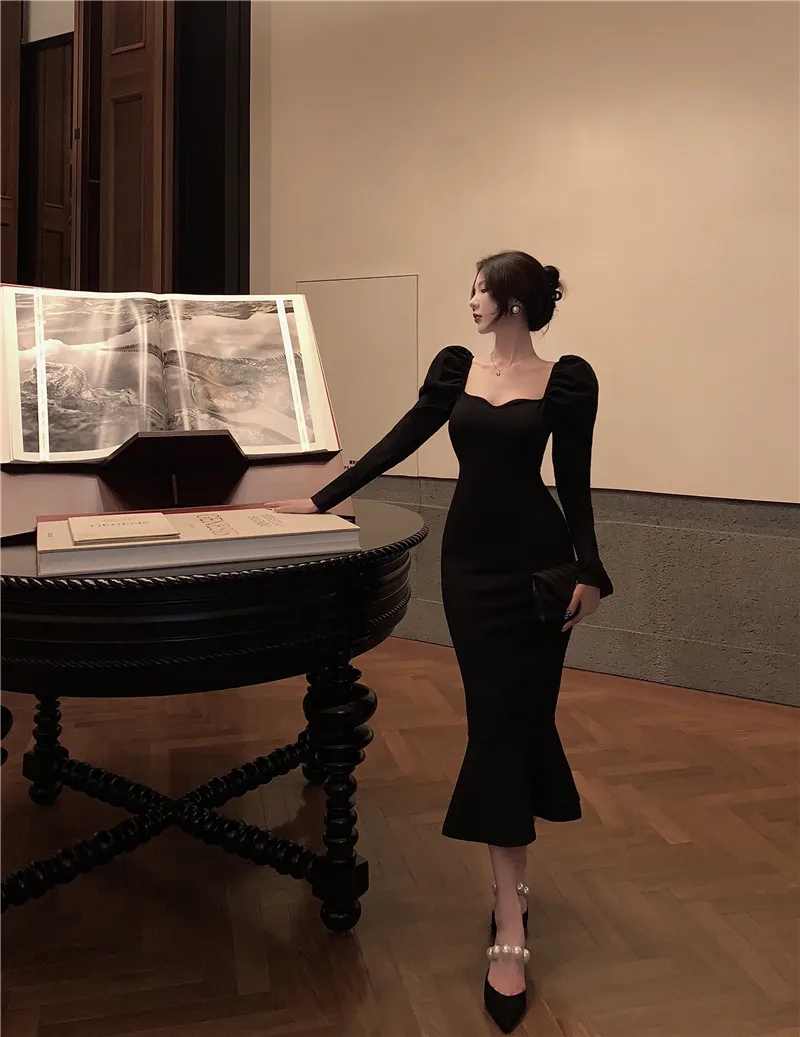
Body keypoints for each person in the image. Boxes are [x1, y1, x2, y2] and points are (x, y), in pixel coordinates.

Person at [265, 250, 612, 1033]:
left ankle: (509, 899)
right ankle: (508, 909)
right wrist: (322, 499)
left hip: (540, 566)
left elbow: (575, 480)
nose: (471, 302)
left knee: (520, 722)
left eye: (481, 290)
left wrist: (590, 570)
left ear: (514, 301)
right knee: (492, 722)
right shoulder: (457, 370)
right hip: (470, 571)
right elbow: (401, 438)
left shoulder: (565, 382)